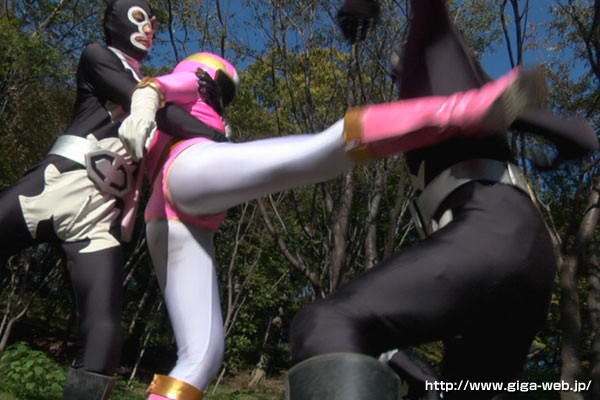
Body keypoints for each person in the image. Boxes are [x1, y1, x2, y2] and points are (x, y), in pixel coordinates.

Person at [117, 40, 546, 398]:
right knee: (320, 151)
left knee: (200, 356)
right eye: (225, 89)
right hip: (188, 169)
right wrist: (142, 107)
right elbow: (154, 87)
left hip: (168, 215)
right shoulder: (196, 81)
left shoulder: (192, 122)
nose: (224, 98)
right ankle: (462, 110)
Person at [285, 1, 599, 399]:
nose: (396, 66)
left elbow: (430, 13)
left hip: (486, 231)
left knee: (326, 322)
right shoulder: (466, 90)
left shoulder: (433, 50)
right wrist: (553, 143)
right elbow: (580, 136)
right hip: (525, 255)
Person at [0, 1, 227, 398]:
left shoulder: (161, 91)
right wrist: (215, 136)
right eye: (139, 17)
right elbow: (153, 108)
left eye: (152, 22)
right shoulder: (100, 57)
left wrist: (211, 110)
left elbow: (175, 132)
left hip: (101, 217)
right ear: (112, 22)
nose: (149, 28)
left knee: (104, 336)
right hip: (57, 182)